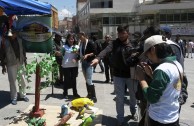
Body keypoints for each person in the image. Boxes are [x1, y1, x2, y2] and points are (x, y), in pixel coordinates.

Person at [91, 25, 137, 125]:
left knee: (133, 96)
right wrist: (98, 58)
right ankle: (120, 119)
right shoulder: (114, 43)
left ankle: (133, 112)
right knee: (119, 98)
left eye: (123, 33)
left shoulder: (133, 43)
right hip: (118, 75)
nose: (120, 35)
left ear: (127, 33)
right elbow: (106, 50)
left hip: (131, 75)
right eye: (119, 33)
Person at [136, 35, 183, 126]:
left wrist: (141, 78)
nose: (147, 57)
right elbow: (167, 86)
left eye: (147, 54)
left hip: (159, 119)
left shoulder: (162, 69)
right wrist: (151, 75)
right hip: (172, 116)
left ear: (153, 49)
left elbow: (151, 97)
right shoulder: (176, 64)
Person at [1, 27, 29, 105]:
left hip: (20, 62)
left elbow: (23, 51)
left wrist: (25, 60)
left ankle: (23, 95)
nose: (13, 35)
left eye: (14, 33)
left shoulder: (20, 40)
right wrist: (3, 66)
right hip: (10, 63)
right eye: (11, 33)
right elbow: (2, 54)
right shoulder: (5, 42)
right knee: (12, 81)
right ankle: (14, 97)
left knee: (22, 79)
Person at [55, 33, 80, 99]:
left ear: (74, 39)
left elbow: (79, 56)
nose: (71, 40)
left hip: (74, 66)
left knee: (74, 79)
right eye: (70, 39)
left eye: (72, 39)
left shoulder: (76, 47)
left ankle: (75, 93)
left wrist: (76, 58)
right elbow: (60, 53)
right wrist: (57, 53)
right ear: (67, 40)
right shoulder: (64, 47)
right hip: (66, 66)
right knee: (66, 79)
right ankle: (65, 92)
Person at [78, 31, 97, 103]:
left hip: (89, 63)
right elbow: (80, 52)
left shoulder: (90, 42)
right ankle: (89, 95)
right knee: (86, 79)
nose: (80, 38)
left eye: (80, 37)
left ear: (84, 35)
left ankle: (94, 97)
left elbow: (95, 52)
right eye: (79, 37)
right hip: (83, 63)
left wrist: (88, 55)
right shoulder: (81, 43)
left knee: (89, 79)